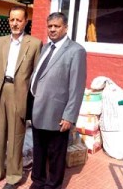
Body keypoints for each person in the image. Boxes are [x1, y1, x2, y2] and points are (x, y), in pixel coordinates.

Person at [0, 6, 42, 189]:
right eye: (12, 20)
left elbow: (37, 75)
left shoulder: (34, 43)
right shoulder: (0, 42)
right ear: (8, 21)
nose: (15, 23)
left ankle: (14, 177)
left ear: (26, 21)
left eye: (19, 20)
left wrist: (33, 102)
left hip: (20, 94)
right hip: (0, 91)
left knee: (16, 137)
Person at [29, 12, 86, 189]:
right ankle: (37, 181)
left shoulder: (75, 51)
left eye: (57, 26)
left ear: (65, 28)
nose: (52, 29)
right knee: (38, 150)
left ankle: (53, 185)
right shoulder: (46, 48)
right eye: (50, 26)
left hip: (57, 113)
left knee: (56, 153)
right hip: (38, 108)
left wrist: (69, 116)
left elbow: (77, 86)